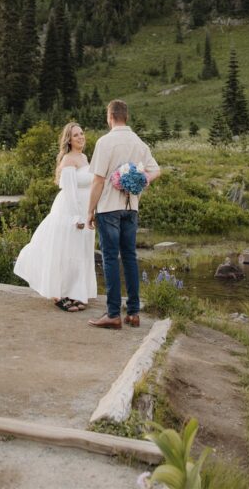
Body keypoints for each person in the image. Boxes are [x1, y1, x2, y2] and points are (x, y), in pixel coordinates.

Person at [86, 100, 161, 329]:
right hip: (131, 208)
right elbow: (156, 170)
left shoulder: (105, 142)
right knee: (129, 257)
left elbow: (98, 180)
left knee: (110, 259)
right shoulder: (138, 142)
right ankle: (134, 313)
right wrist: (139, 180)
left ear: (110, 117)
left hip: (109, 208)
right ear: (126, 117)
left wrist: (90, 210)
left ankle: (113, 314)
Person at [14, 121, 97, 312]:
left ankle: (77, 292)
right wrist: (76, 217)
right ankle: (58, 294)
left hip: (84, 210)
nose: (81, 137)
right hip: (69, 211)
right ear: (69, 139)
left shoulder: (84, 157)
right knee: (64, 251)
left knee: (79, 252)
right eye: (76, 135)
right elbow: (69, 191)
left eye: (82, 133)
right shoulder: (68, 160)